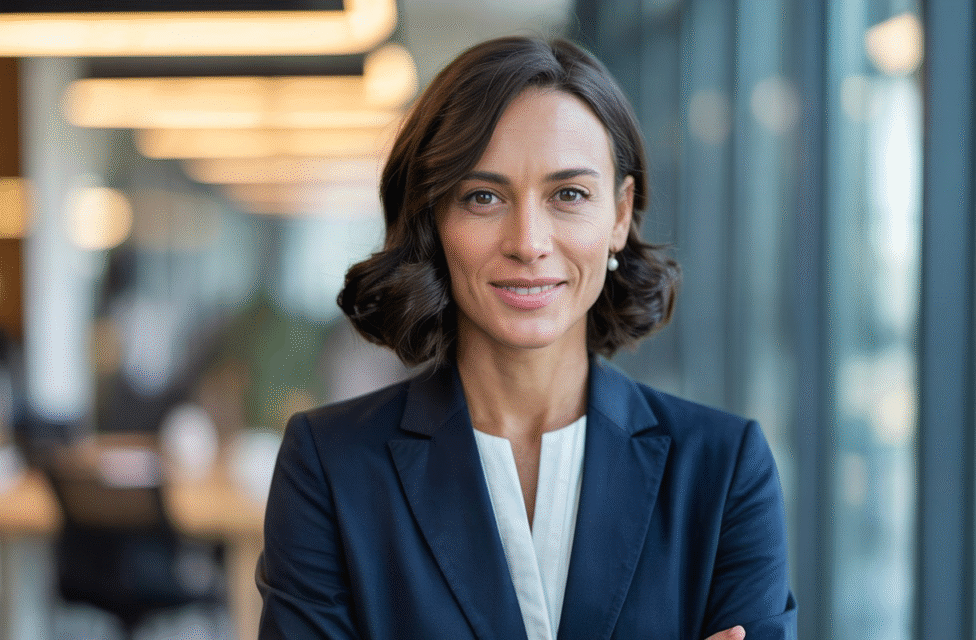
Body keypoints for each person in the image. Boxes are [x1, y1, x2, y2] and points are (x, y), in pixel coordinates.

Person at [257, 36, 796, 640]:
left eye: (569, 195)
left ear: (620, 214)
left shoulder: (723, 471)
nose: (528, 241)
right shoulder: (332, 466)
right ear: (434, 218)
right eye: (483, 197)